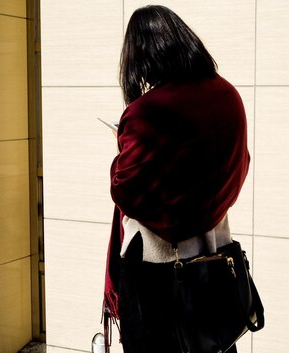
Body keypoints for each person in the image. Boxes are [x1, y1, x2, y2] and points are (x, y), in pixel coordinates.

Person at [102, 5, 251, 353]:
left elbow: (126, 190)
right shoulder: (228, 95)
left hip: (158, 268)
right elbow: (239, 163)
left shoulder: (147, 109)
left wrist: (119, 154)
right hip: (216, 253)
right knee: (215, 343)